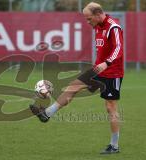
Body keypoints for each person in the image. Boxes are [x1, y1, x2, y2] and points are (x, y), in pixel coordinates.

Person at [30, 1, 124, 154]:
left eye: (89, 19)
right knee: (73, 86)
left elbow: (118, 49)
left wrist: (107, 63)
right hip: (97, 70)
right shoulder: (98, 27)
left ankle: (114, 146)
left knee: (110, 107)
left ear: (98, 14)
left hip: (112, 72)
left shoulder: (113, 27)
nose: (88, 22)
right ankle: (46, 114)